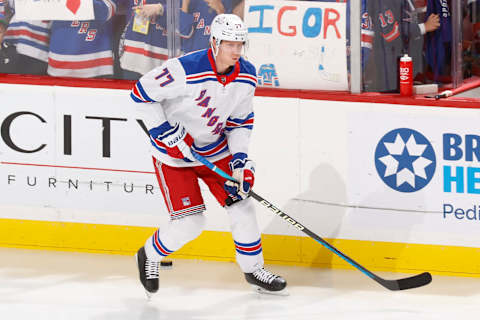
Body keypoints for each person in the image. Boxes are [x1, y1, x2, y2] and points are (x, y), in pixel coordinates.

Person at [130, 13, 287, 296]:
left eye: (241, 44)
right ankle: (150, 255)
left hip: (215, 152)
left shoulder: (247, 74)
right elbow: (141, 94)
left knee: (242, 204)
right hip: (174, 156)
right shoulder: (185, 69)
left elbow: (240, 121)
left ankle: (253, 270)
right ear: (214, 42)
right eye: (230, 44)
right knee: (191, 222)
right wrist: (165, 131)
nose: (237, 51)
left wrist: (240, 161)